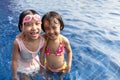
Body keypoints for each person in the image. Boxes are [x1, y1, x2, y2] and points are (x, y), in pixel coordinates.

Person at [12, 9, 46, 80]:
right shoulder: (18, 43)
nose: (34, 28)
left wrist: (41, 70)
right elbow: (14, 60)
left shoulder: (42, 41)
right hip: (23, 67)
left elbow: (42, 58)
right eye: (29, 25)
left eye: (37, 24)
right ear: (22, 27)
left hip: (35, 63)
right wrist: (14, 75)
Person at [40, 11, 72, 80]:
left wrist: (69, 64)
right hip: (48, 67)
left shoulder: (63, 40)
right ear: (44, 29)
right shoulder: (44, 39)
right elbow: (32, 38)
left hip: (61, 68)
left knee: (60, 78)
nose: (51, 31)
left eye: (54, 27)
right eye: (47, 28)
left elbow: (69, 52)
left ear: (60, 26)